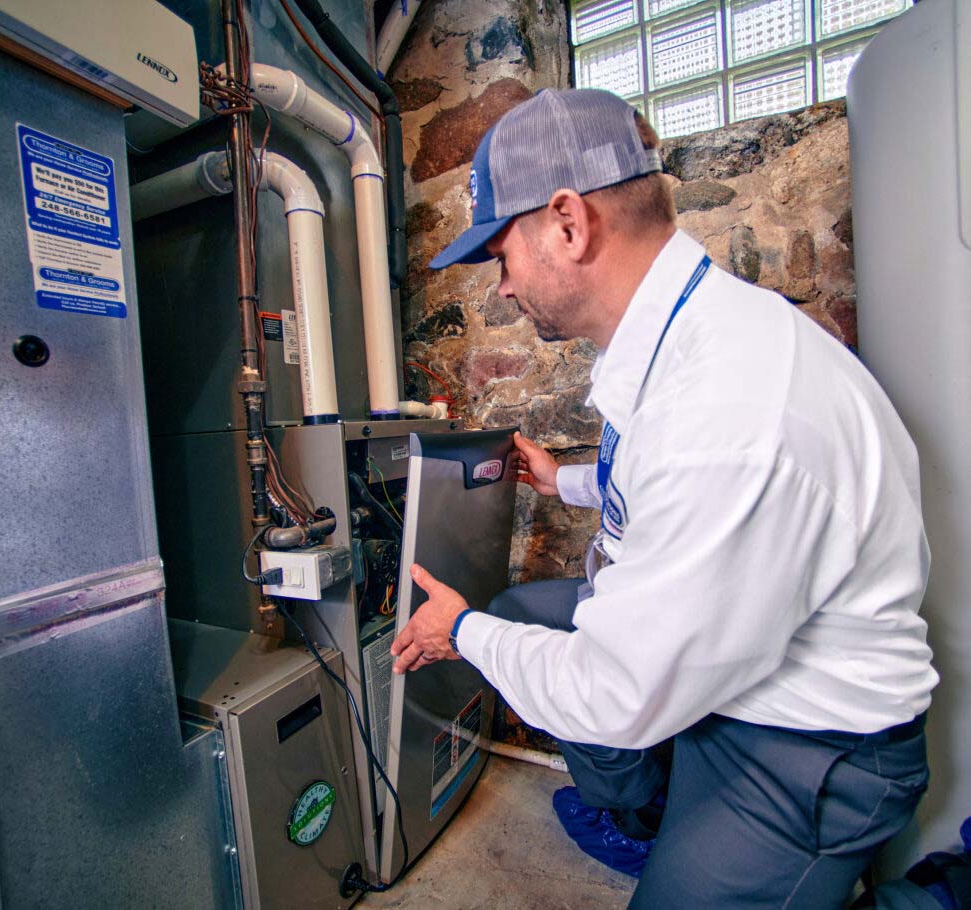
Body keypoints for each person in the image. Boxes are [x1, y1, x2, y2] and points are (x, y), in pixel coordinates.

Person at [391, 87, 939, 909]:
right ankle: (644, 811)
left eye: (501, 254)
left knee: (514, 635)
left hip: (811, 742)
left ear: (569, 224)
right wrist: (562, 481)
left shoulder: (725, 410)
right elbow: (660, 487)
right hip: (732, 669)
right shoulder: (687, 333)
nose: (501, 287)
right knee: (531, 613)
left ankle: (955, 895)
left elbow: (616, 687)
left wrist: (462, 632)